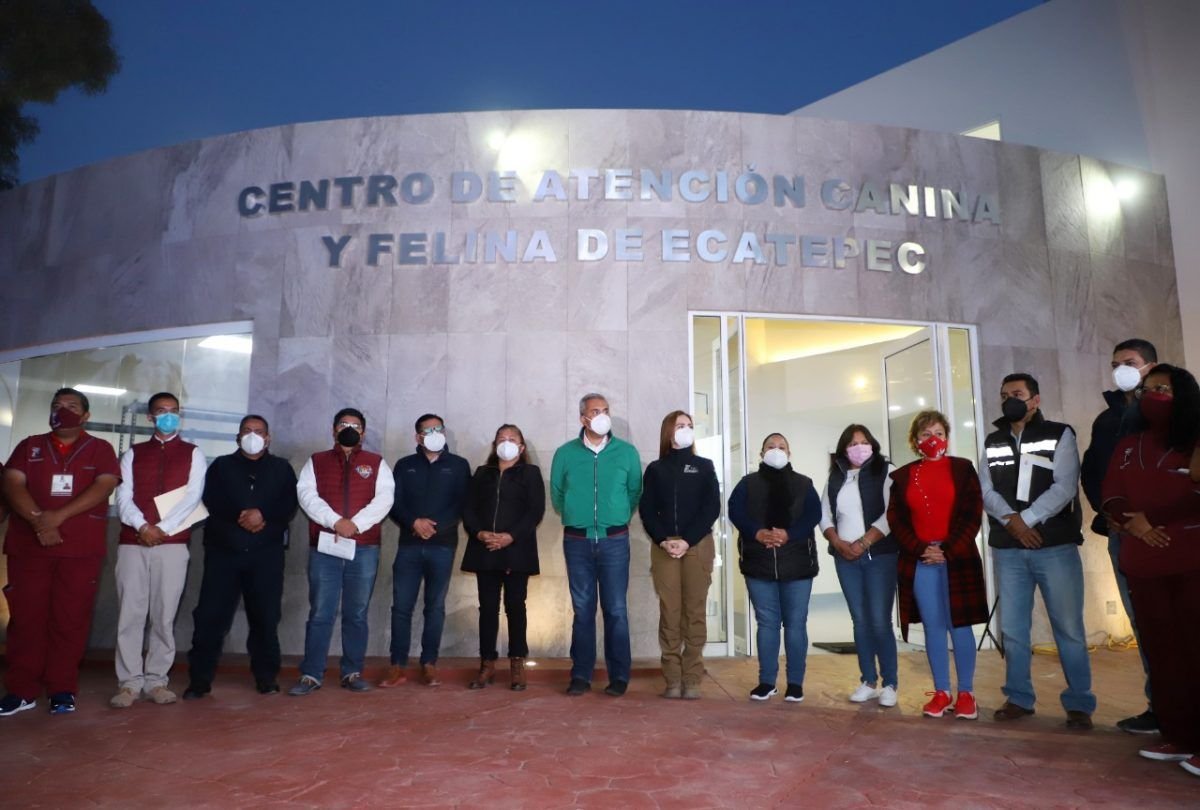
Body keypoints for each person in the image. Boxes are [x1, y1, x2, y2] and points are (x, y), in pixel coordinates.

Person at [1101, 364, 1200, 776]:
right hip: (1143, 563)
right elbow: (1110, 494)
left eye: (1164, 388)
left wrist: (1151, 519)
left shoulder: (1195, 439)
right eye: (1149, 388)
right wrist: (1134, 523)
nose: (1154, 395)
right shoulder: (1128, 444)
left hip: (1190, 560)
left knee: (1195, 649)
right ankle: (1178, 734)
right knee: (1162, 654)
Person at [979, 373, 1093, 729]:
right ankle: (1018, 697)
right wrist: (1012, 522)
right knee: (1013, 628)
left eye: (1017, 393)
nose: (1009, 400)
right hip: (1009, 549)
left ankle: (1079, 703)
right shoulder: (994, 440)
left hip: (1054, 546)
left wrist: (1025, 520)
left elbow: (1064, 486)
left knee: (1068, 628)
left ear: (1035, 400)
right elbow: (985, 490)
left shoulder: (1059, 434)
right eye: (1004, 395)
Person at [0, 389, 120, 717]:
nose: (62, 411)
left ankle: (61, 689)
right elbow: (12, 483)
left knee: (70, 620)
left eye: (71, 406)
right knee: (26, 620)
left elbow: (104, 485)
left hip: (79, 550)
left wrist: (57, 517)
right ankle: (21, 690)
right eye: (57, 406)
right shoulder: (30, 446)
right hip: (30, 548)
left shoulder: (100, 448)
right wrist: (40, 522)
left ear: (86, 416)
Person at [184, 415, 298, 699]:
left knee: (265, 618)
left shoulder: (282, 468)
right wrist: (243, 517)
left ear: (268, 438)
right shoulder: (221, 466)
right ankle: (199, 680)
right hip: (224, 553)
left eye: (259, 431)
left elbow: (288, 504)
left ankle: (266, 678)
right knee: (210, 617)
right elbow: (211, 499)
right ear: (238, 437)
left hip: (266, 555)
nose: (252, 435)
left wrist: (263, 516)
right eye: (247, 430)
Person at [887, 410, 987, 720]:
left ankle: (966, 694)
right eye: (926, 434)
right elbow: (896, 520)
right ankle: (941, 692)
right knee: (933, 626)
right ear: (915, 440)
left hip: (957, 556)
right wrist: (922, 549)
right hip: (920, 559)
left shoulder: (963, 469)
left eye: (939, 433)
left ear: (947, 437)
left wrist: (947, 549)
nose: (934, 439)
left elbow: (973, 513)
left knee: (960, 625)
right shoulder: (902, 477)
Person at [1080, 338, 1158, 734]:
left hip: (1165, 534)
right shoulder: (1107, 421)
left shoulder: (1175, 413)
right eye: (1115, 364)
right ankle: (1159, 705)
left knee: (1177, 621)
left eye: (1130, 362)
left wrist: (1151, 517)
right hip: (1120, 534)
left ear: (1151, 366)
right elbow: (1094, 472)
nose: (1121, 370)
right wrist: (1109, 513)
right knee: (1141, 621)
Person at [289, 408, 394, 696]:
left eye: (355, 425)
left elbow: (385, 498)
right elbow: (307, 495)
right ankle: (311, 673)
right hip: (326, 546)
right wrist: (335, 521)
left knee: (356, 613)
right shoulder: (316, 461)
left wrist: (355, 525)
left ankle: (352, 671)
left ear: (363, 432)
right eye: (344, 424)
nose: (349, 428)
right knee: (320, 612)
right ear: (334, 429)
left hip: (364, 547)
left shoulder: (376, 463)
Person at [112, 392, 207, 708]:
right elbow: (123, 497)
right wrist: (143, 527)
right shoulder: (133, 454)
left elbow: (192, 497)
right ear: (150, 417)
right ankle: (129, 682)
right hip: (133, 542)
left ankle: (156, 680)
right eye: (161, 411)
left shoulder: (193, 453)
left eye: (173, 411)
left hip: (172, 544)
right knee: (130, 614)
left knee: (164, 615)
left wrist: (162, 529)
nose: (168, 416)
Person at [550, 393, 643, 697]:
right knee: (582, 610)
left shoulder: (626, 452)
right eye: (594, 411)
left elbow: (634, 492)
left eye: (605, 410)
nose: (601, 415)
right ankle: (581, 675)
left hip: (614, 540)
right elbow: (557, 494)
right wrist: (575, 514)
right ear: (583, 418)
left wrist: (616, 515)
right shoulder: (565, 453)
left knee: (616, 609)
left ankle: (619, 676)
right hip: (577, 541)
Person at [728, 433, 821, 703]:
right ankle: (767, 682)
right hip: (759, 563)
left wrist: (788, 535)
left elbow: (813, 514)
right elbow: (735, 511)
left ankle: (795, 683)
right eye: (771, 447)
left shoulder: (804, 484)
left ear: (789, 454)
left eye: (781, 447)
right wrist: (757, 533)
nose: (776, 451)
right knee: (767, 623)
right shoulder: (747, 484)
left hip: (798, 565)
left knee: (795, 624)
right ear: (761, 454)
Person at [381, 413, 471, 688]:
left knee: (435, 606)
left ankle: (429, 663)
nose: (434, 434)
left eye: (438, 429)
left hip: (442, 546)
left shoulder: (458, 465)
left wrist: (435, 527)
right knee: (401, 607)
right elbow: (393, 502)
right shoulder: (405, 465)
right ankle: (397, 664)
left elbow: (463, 503)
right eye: (427, 430)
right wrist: (413, 523)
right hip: (409, 545)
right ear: (418, 437)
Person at [638, 410, 720, 700]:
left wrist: (687, 540)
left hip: (697, 546)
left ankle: (692, 678)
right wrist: (663, 540)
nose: (685, 429)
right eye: (680, 425)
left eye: (689, 425)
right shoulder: (655, 469)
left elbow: (711, 507)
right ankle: (672, 679)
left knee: (694, 612)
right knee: (670, 612)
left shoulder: (704, 466)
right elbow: (647, 509)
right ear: (668, 432)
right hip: (665, 548)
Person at [461, 424, 545, 690]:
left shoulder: (530, 473)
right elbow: (469, 509)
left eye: (512, 439)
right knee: (487, 608)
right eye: (501, 439)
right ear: (494, 445)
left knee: (515, 607)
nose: (506, 443)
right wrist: (479, 533)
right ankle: (486, 664)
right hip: (485, 550)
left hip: (516, 550)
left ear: (521, 446)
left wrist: (511, 536)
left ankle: (517, 663)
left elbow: (535, 511)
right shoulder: (482, 473)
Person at [820, 424, 898, 707]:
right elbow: (825, 515)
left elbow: (892, 513)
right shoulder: (835, 477)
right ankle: (868, 680)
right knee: (860, 620)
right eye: (853, 443)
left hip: (880, 556)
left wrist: (864, 542)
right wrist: (838, 543)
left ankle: (890, 683)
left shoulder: (886, 471)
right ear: (844, 449)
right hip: (846, 559)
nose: (859, 447)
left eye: (864, 442)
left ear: (873, 445)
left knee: (879, 620)